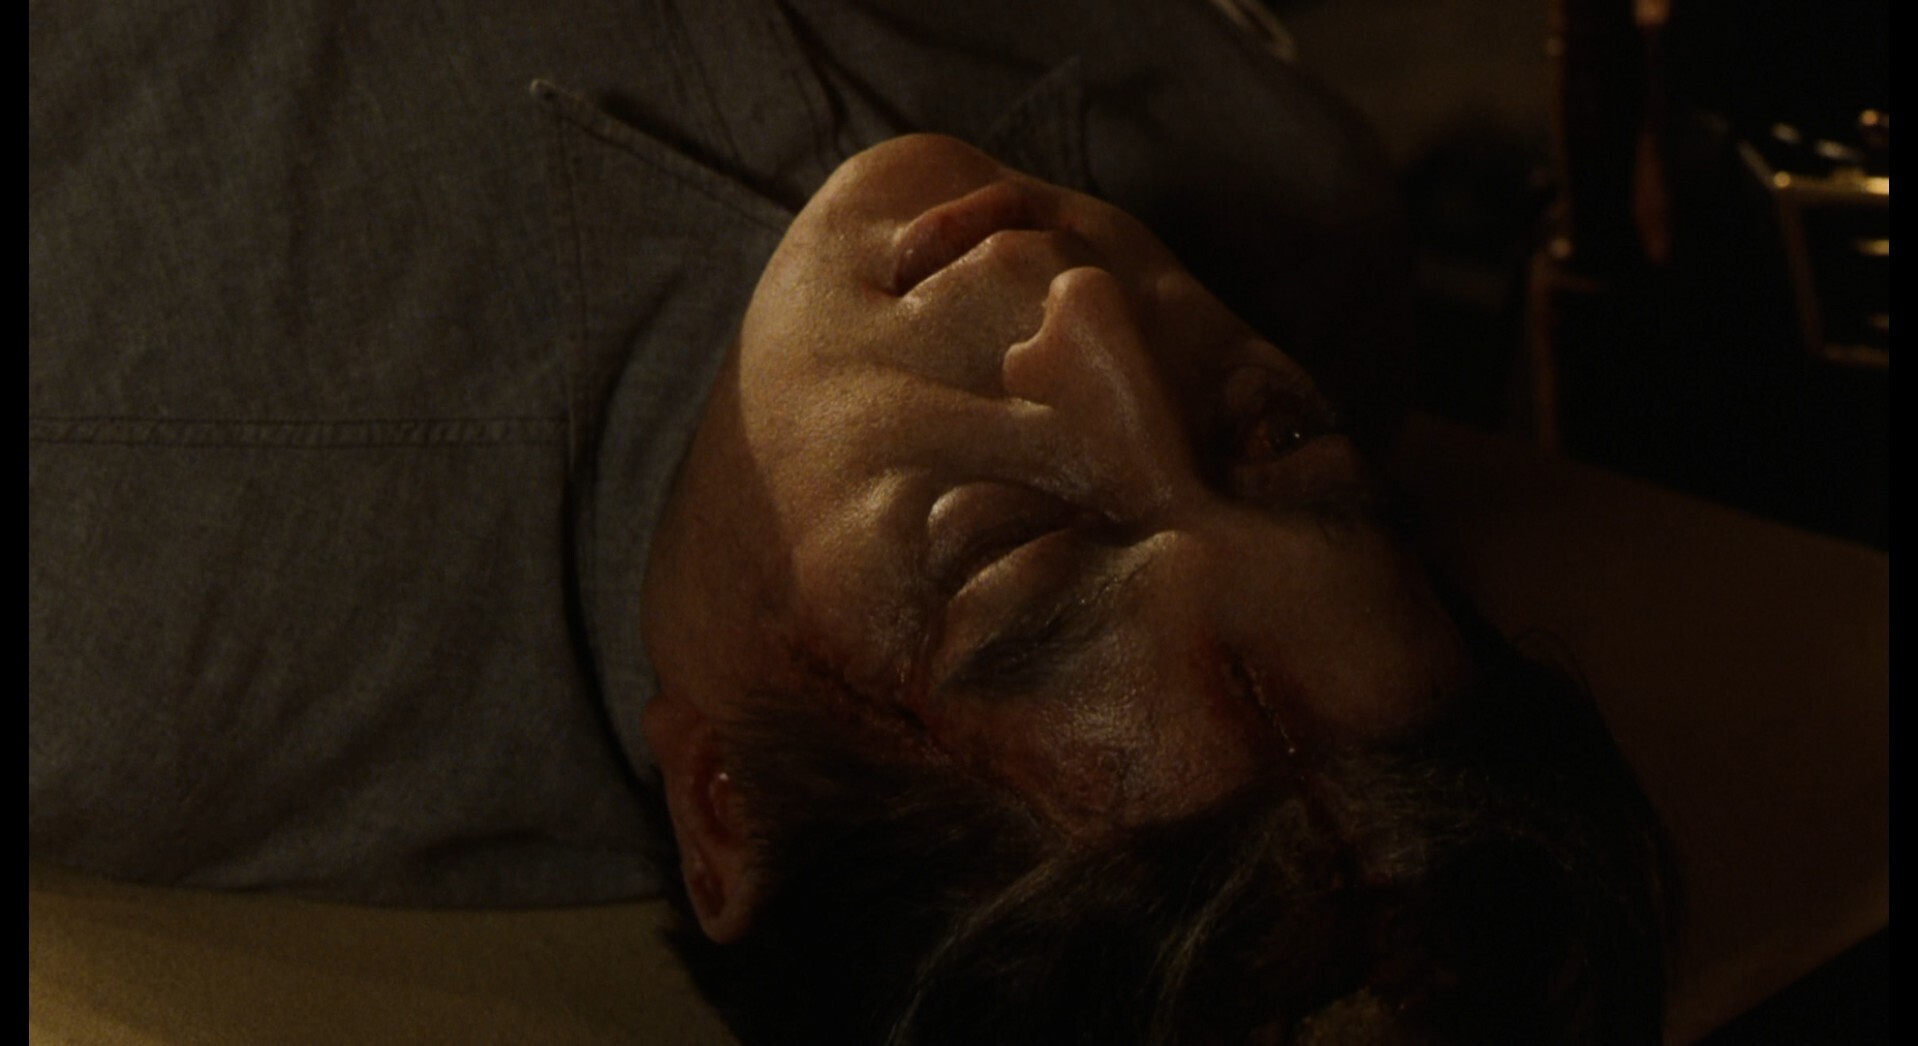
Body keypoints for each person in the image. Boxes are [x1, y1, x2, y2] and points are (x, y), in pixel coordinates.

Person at [29, 0, 1671, 1041]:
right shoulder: (1290, 208)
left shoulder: (103, 546)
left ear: (726, 799)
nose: (1093, 317)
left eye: (1008, 541)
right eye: (1273, 438)